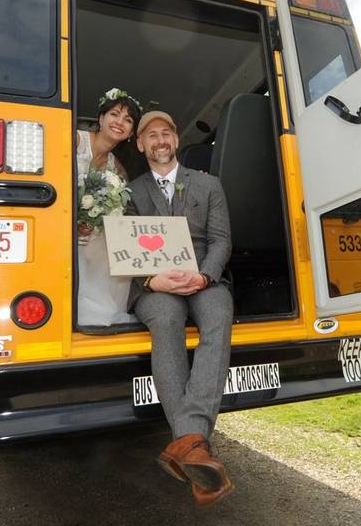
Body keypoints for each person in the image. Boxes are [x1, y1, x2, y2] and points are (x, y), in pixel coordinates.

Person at [126, 110, 234, 507]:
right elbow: (123, 246)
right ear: (140, 145)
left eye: (166, 133)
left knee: (220, 316)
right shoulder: (131, 191)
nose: (160, 140)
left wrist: (204, 276)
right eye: (151, 135)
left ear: (176, 139)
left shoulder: (208, 184)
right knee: (167, 318)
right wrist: (151, 281)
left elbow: (222, 241)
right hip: (155, 283)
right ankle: (194, 446)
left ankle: (186, 443)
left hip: (203, 278)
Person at [76, 89, 142, 331]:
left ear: (131, 132)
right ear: (101, 118)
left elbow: (117, 208)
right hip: (58, 220)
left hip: (89, 228)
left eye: (128, 120)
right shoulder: (75, 140)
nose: (120, 123)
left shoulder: (118, 168)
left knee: (115, 245)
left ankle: (108, 312)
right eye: (114, 114)